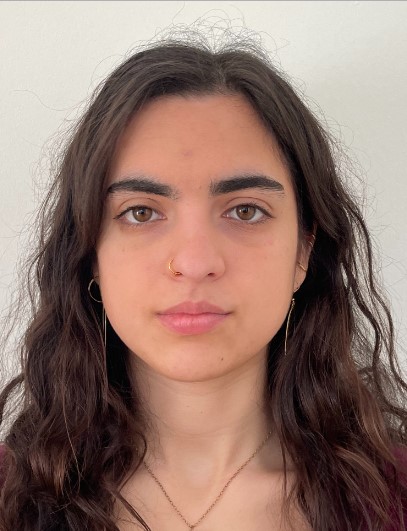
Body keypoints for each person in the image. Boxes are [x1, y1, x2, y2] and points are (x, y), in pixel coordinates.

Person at [0, 30, 406, 531]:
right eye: (141, 212)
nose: (194, 262)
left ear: (303, 250)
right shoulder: (8, 495)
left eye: (245, 210)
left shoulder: (394, 499)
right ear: (90, 254)